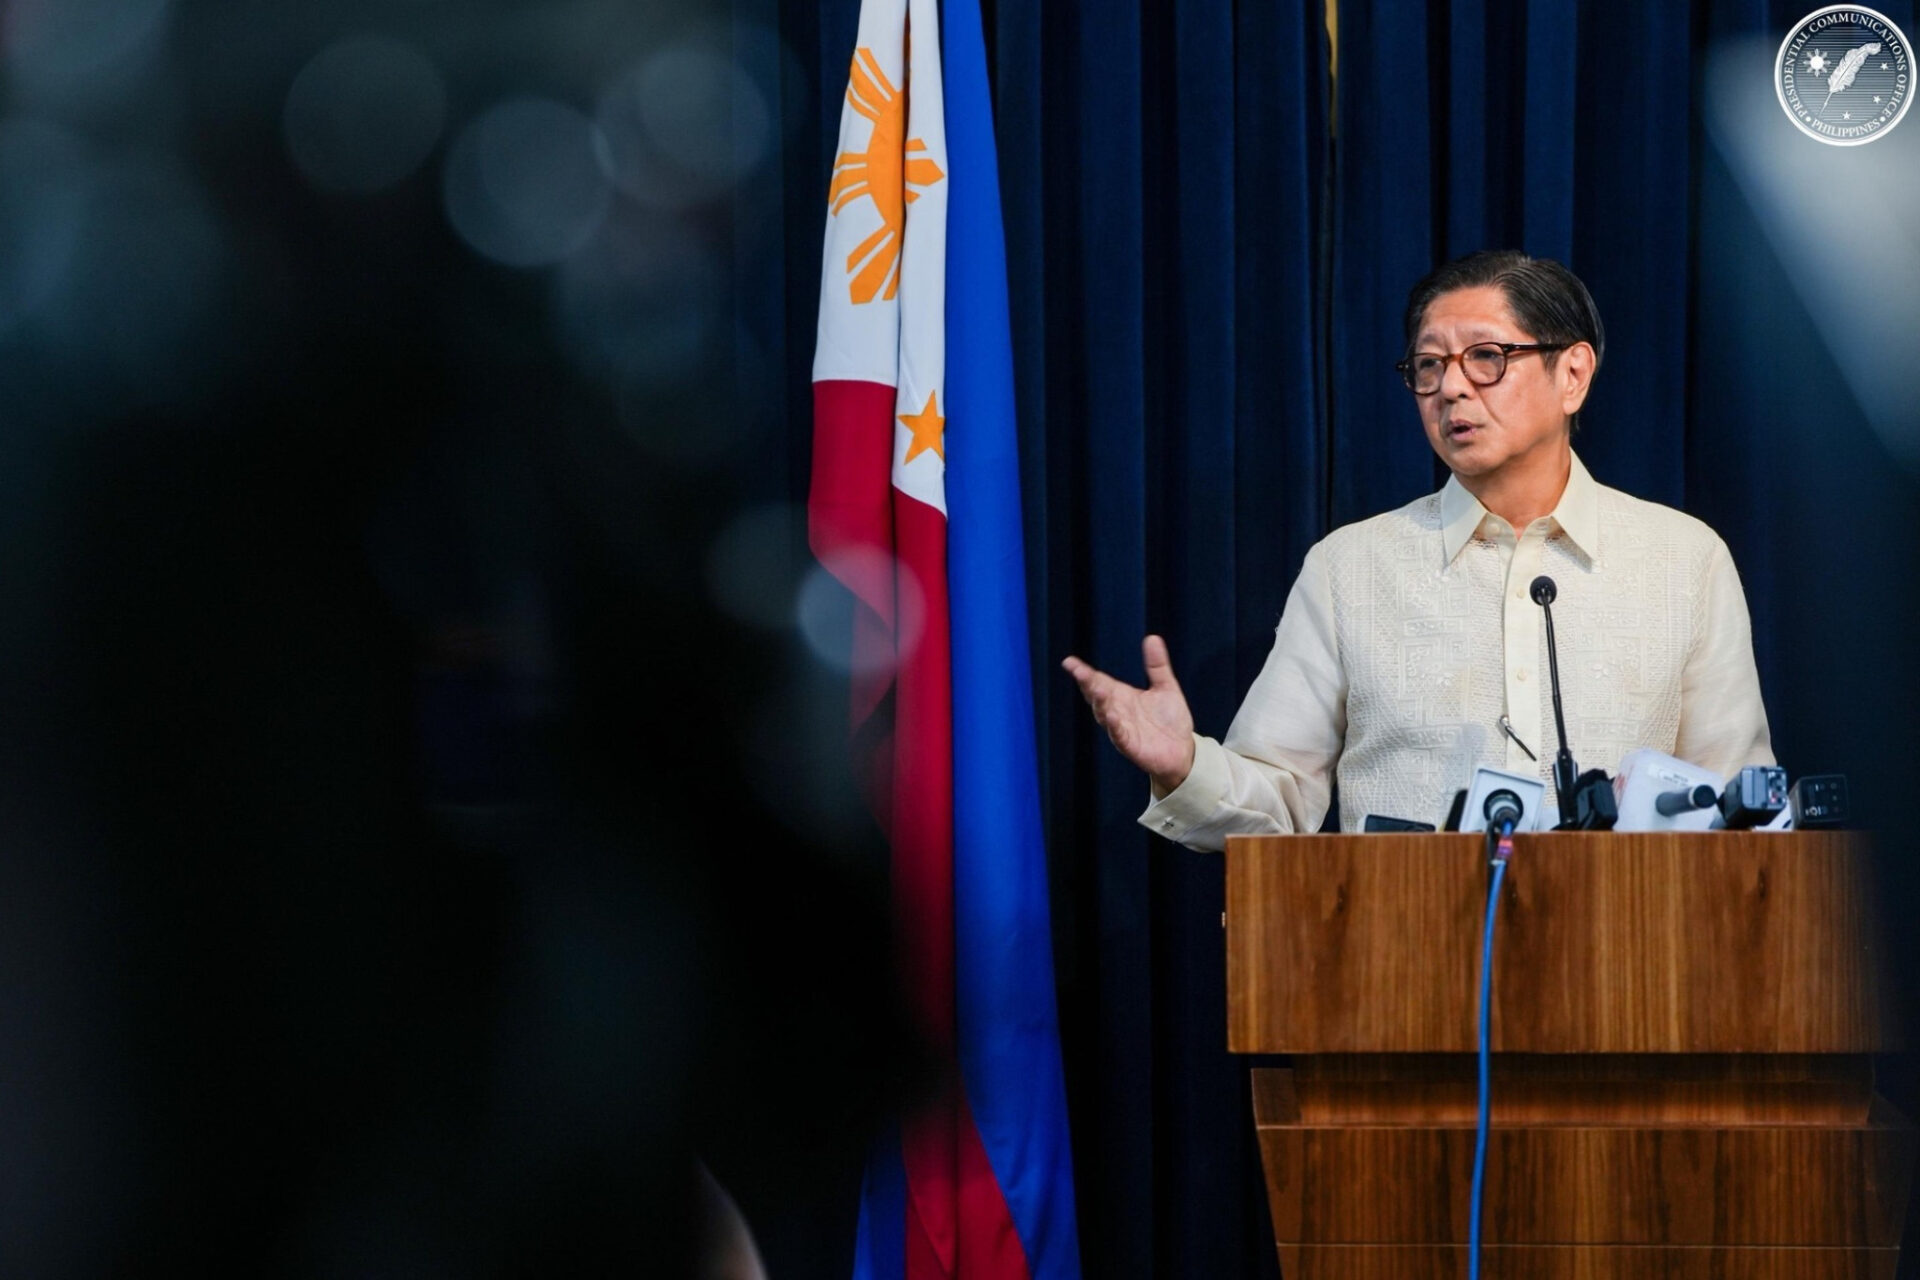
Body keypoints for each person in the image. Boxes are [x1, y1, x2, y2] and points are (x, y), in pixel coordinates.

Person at [1062, 250, 1774, 846]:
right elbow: (1279, 801)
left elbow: (1739, 809)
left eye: (1487, 357)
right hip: (1407, 951)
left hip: (1631, 952)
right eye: (1428, 366)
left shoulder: (1684, 560)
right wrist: (1184, 765)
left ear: (1573, 375)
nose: (1451, 388)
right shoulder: (1351, 568)